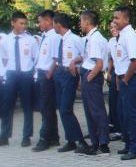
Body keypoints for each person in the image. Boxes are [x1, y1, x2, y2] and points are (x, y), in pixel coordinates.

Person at [52, 13, 90, 153]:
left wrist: (78, 71)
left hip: (70, 74)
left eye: (54, 24)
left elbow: (85, 56)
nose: (53, 27)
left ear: (58, 24)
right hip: (60, 73)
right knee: (62, 108)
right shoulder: (59, 39)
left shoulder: (75, 39)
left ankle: (81, 141)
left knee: (66, 109)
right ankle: (71, 140)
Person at [0, 12, 39, 147]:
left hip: (26, 75)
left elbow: (35, 58)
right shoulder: (5, 40)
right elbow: (4, 58)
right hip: (11, 74)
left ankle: (26, 136)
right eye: (21, 23)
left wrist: (32, 73)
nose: (23, 26)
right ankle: (4, 135)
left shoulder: (30, 40)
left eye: (25, 23)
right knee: (7, 105)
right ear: (13, 23)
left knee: (27, 106)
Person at [112, 6, 136, 160]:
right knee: (125, 114)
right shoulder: (122, 35)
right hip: (125, 78)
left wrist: (125, 79)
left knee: (132, 115)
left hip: (132, 79)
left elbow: (135, 60)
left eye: (117, 18)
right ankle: (129, 144)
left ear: (126, 19)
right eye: (114, 18)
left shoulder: (129, 35)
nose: (114, 21)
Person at [79, 10, 110, 155]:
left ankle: (101, 143)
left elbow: (99, 64)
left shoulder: (95, 39)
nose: (80, 24)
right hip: (90, 74)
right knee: (91, 111)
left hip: (92, 75)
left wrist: (88, 78)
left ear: (87, 22)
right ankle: (96, 142)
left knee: (96, 111)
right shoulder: (93, 37)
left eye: (81, 21)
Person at [32, 10, 61, 151]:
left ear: (48, 21)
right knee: (48, 108)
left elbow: (56, 58)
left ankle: (44, 138)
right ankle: (54, 137)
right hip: (42, 74)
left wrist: (49, 73)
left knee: (46, 108)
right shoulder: (45, 36)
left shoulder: (54, 36)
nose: (39, 24)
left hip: (47, 75)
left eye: (40, 21)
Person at [106, 22, 121, 140]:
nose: (113, 29)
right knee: (112, 100)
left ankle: (121, 130)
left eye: (115, 27)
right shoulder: (111, 41)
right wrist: (109, 72)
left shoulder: (125, 39)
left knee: (121, 102)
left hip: (123, 73)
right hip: (115, 71)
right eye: (111, 27)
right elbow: (111, 58)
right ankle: (114, 126)